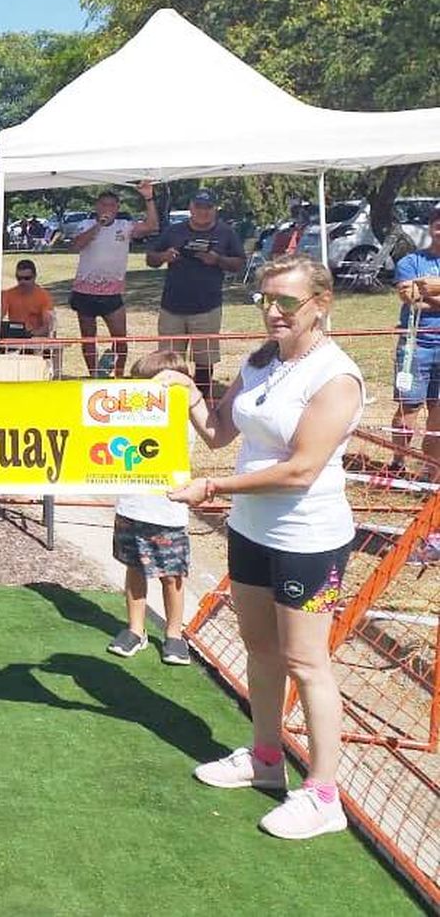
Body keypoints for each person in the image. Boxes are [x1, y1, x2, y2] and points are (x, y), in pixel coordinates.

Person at [170, 253, 363, 841]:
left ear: (320, 304)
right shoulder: (259, 362)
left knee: (308, 662)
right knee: (260, 649)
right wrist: (183, 387)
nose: (272, 312)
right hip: (250, 528)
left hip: (308, 538)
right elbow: (220, 431)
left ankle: (324, 794)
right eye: (264, 299)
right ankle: (266, 758)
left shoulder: (336, 377)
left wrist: (214, 486)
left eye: (286, 302)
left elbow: (302, 470)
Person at [106, 350, 196, 666]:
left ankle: (174, 634)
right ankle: (135, 629)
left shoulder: (182, 423)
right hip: (132, 508)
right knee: (134, 569)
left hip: (168, 513)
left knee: (172, 576)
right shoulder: (128, 420)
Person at [146, 189, 245, 394]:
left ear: (215, 210)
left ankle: (201, 401)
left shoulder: (226, 232)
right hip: (172, 306)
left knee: (204, 360)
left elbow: (239, 264)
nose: (203, 212)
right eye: (199, 207)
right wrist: (165, 256)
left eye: (208, 208)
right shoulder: (174, 231)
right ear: (191, 208)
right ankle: (172, 400)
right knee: (169, 361)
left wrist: (218, 260)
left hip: (207, 306)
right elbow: (151, 259)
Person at [69, 182, 159, 377]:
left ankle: (118, 375)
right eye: (103, 205)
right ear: (96, 206)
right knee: (88, 338)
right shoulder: (85, 225)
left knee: (120, 339)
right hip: (85, 291)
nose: (107, 209)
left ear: (118, 208)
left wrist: (149, 198)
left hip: (112, 293)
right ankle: (93, 374)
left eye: (112, 205)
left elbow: (152, 226)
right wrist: (98, 226)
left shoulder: (124, 227)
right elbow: (76, 245)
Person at [390, 206, 440, 479]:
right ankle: (398, 461)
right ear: (431, 227)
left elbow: (420, 296)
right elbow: (409, 298)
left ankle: (431, 467)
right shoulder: (410, 262)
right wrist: (426, 291)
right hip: (415, 345)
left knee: (438, 409)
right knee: (408, 406)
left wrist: (429, 290)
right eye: (437, 223)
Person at [0, 258, 58, 374]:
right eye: (19, 278)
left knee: (37, 352)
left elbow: (48, 327)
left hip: (36, 340)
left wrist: (30, 334)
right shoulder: (8, 294)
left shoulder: (43, 296)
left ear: (35, 277)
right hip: (13, 340)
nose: (23, 282)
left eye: (27, 278)